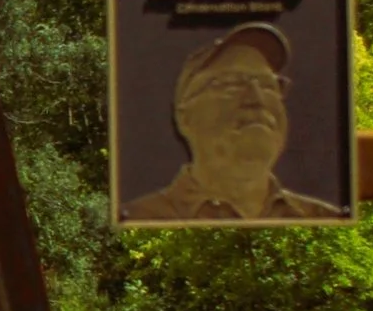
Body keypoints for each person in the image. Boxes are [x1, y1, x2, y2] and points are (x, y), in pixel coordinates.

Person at [120, 23, 342, 223]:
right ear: (185, 118)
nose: (257, 98)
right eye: (231, 85)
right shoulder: (141, 217)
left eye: (268, 85)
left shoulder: (325, 218)